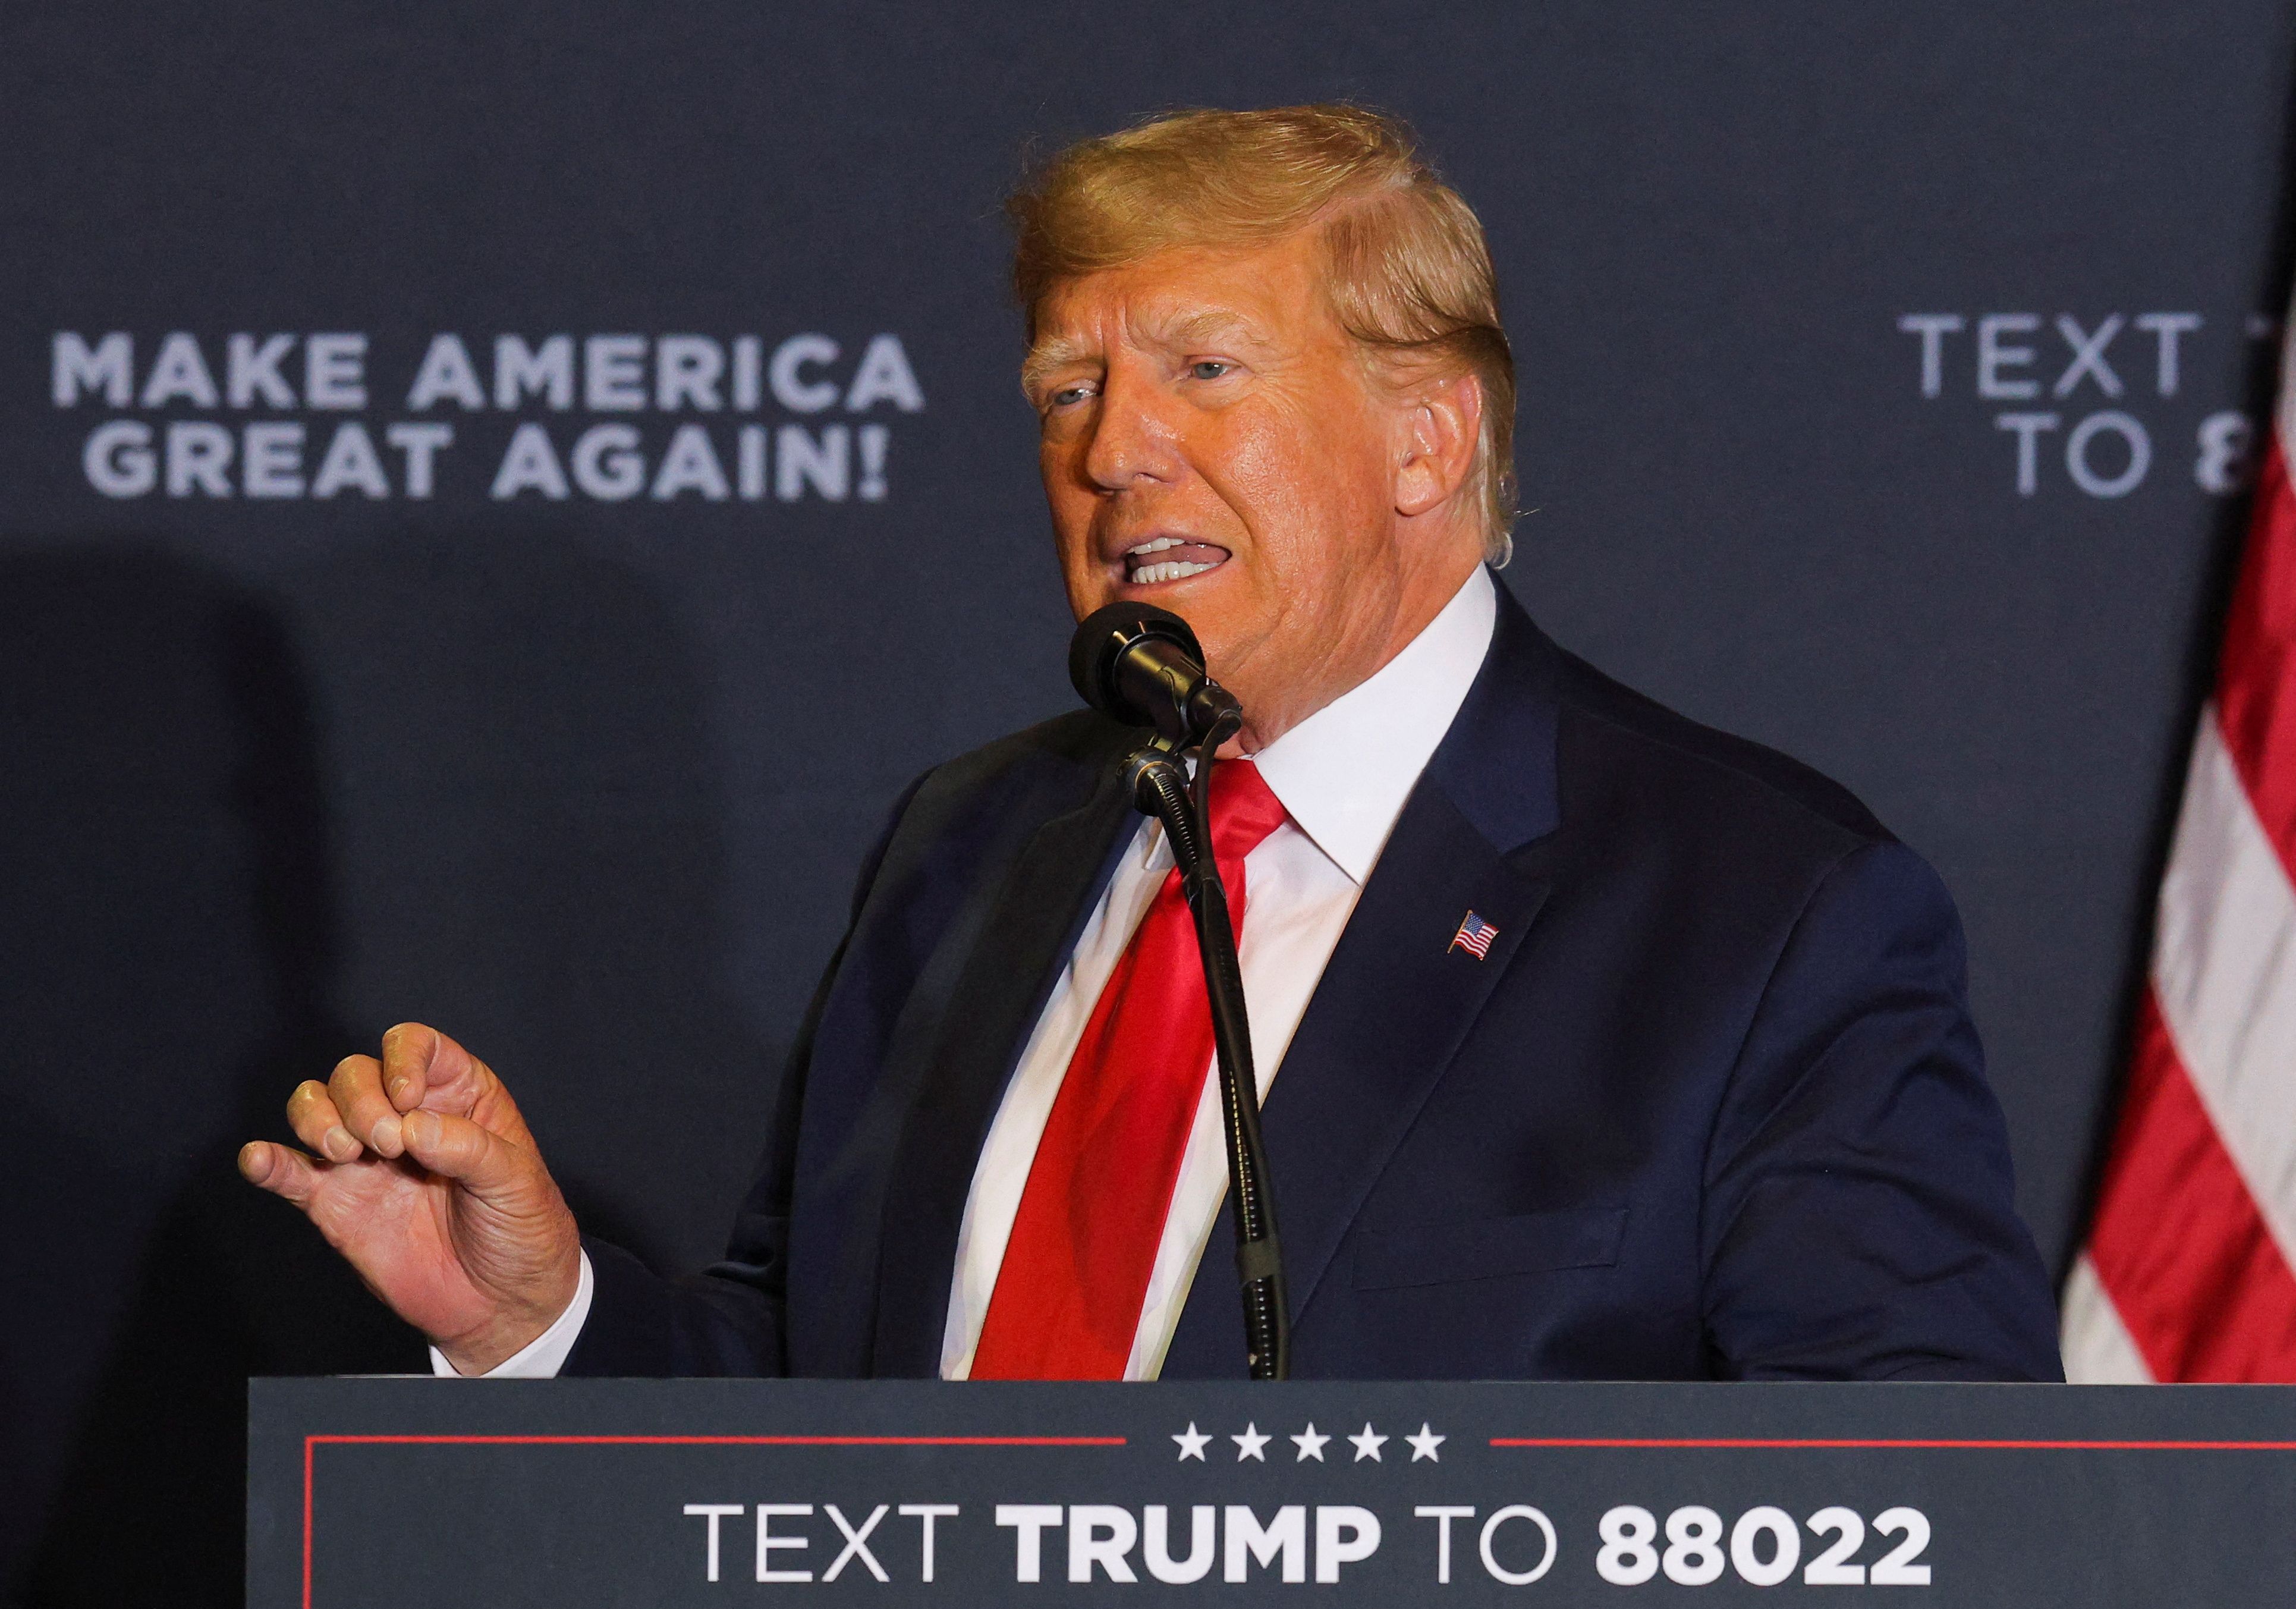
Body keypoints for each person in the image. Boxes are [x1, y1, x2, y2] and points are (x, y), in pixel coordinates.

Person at [240, 105, 2061, 1382]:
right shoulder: (972, 843)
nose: (1113, 451)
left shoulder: (1761, 914)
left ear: (1427, 442)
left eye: (1203, 370)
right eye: (1065, 388)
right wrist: (536, 1319)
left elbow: (1911, 1503)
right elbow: (813, 1434)